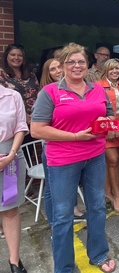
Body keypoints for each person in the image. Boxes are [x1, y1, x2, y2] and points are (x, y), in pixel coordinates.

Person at [31, 43, 116, 273]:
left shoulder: (97, 90)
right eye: (71, 62)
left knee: (97, 207)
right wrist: (74, 136)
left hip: (95, 157)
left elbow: (107, 115)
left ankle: (98, 254)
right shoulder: (50, 92)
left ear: (87, 64)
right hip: (63, 161)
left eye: (81, 61)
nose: (77, 66)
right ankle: (65, 267)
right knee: (62, 215)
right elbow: (37, 129)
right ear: (63, 65)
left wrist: (110, 124)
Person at [39, 58, 85, 223]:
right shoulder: (46, 92)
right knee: (52, 188)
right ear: (48, 74)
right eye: (53, 69)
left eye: (60, 66)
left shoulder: (74, 89)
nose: (58, 71)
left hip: (75, 146)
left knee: (71, 184)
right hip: (55, 149)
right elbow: (40, 128)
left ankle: (74, 210)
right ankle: (54, 223)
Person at [0, 84, 29, 273]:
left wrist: (10, 154)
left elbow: (20, 126)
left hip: (9, 156)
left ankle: (14, 260)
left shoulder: (12, 95)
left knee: (9, 209)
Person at [95, 59, 119, 214]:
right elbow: (98, 110)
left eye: (117, 69)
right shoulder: (98, 86)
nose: (115, 71)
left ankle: (107, 191)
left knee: (111, 163)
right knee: (114, 161)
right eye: (111, 69)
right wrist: (106, 129)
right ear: (106, 71)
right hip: (108, 130)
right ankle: (117, 196)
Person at [0, 44, 39, 127]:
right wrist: (23, 116)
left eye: (20, 55)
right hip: (15, 121)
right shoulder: (1, 75)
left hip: (36, 119)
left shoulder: (31, 74)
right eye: (13, 55)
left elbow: (38, 93)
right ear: (6, 56)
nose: (16, 58)